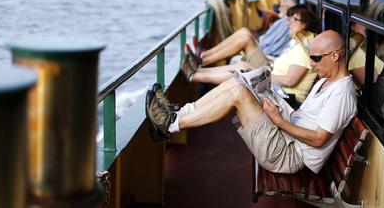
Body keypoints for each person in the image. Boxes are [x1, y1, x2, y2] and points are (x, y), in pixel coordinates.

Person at [146, 30, 357, 174]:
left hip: (289, 155)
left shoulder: (342, 93)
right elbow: (305, 120)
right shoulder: (327, 82)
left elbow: (319, 139)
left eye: (316, 58)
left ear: (336, 56)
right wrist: (273, 103)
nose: (311, 64)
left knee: (239, 92)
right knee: (239, 80)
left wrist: (279, 120)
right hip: (287, 134)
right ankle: (180, 114)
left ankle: (171, 124)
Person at [184, 5, 321, 106]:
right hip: (273, 78)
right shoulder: (298, 43)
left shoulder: (304, 49)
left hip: (283, 96)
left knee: (244, 65)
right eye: (289, 18)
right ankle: (198, 67)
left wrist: (260, 73)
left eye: (293, 19)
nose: (288, 22)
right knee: (244, 42)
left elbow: (289, 81)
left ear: (304, 25)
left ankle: (197, 69)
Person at [193, 0, 297, 68]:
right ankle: (204, 54)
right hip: (265, 51)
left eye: (281, 6)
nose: (279, 8)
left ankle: (203, 60)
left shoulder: (285, 22)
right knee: (243, 31)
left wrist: (255, 44)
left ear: (287, 8)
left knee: (245, 37)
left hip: (268, 57)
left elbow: (272, 48)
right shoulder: (286, 21)